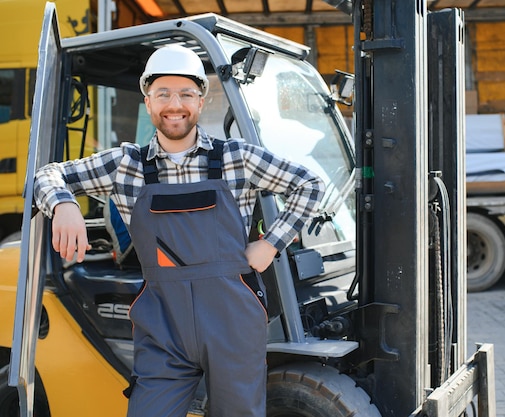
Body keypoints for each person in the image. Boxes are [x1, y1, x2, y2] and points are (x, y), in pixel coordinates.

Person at [33, 44, 325, 417]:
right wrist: (64, 203)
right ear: (149, 102)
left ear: (201, 102)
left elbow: (310, 185)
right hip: (163, 326)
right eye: (163, 94)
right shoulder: (125, 165)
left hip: (232, 323)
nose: (175, 104)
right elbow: (48, 174)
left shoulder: (236, 157)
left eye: (186, 94)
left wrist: (270, 244)